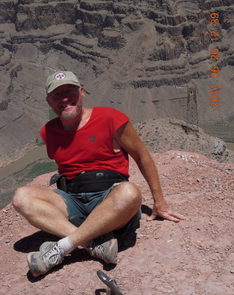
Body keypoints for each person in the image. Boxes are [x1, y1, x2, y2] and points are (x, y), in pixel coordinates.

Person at [12, 71, 185, 278]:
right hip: (71, 200)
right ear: (49, 101)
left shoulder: (110, 118)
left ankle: (62, 247)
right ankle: (93, 243)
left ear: (82, 92)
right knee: (21, 197)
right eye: (57, 95)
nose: (64, 99)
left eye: (69, 91)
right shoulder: (48, 131)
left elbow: (142, 156)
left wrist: (159, 201)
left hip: (108, 198)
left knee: (130, 193)